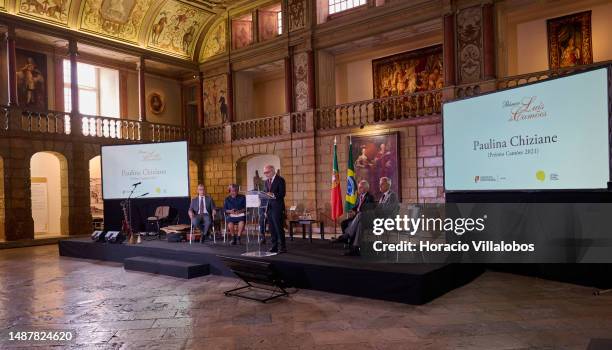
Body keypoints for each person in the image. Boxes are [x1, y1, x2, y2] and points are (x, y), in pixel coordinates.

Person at [341, 177, 399, 256]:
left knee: (360, 214)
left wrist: (373, 212)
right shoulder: (383, 196)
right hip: (379, 220)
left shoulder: (392, 196)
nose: (380, 185)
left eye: (382, 184)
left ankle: (348, 235)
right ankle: (356, 247)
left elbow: (387, 211)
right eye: (380, 184)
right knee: (361, 223)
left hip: (386, 222)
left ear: (388, 185)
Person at [263, 164, 286, 253]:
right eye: (264, 172)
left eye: (267, 172)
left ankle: (283, 247)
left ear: (272, 171)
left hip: (277, 207)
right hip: (269, 208)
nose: (265, 174)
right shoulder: (266, 182)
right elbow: (265, 193)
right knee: (272, 228)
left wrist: (272, 194)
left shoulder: (280, 180)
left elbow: (282, 194)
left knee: (278, 227)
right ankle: (274, 246)